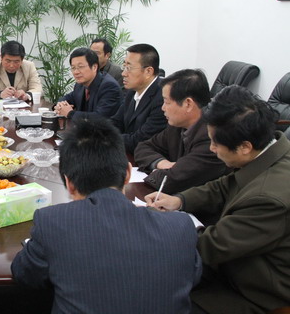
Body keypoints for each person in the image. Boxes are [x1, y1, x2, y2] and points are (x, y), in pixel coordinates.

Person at [11, 116, 202, 314]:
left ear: (69, 183)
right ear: (127, 173)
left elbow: (24, 274)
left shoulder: (52, 222)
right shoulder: (180, 226)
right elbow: (193, 276)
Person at [146, 86, 290, 314]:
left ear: (244, 147)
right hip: (236, 262)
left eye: (215, 143)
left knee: (157, 298)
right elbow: (223, 186)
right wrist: (179, 201)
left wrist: (161, 226)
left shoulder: (268, 198)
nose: (211, 149)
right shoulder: (268, 153)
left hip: (254, 291)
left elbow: (211, 246)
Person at [134, 69, 229, 194]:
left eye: (166, 102)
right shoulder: (177, 125)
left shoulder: (211, 138)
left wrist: (161, 173)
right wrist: (160, 163)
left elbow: (170, 181)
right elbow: (143, 147)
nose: (163, 108)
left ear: (188, 104)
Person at [110, 43, 167, 155]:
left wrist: (105, 138)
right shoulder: (132, 91)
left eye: (129, 68)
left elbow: (140, 140)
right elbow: (116, 122)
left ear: (148, 72)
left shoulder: (163, 97)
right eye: (124, 66)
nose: (123, 73)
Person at [54, 48, 121, 119]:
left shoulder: (109, 86)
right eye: (73, 68)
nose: (76, 72)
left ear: (94, 67)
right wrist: (60, 106)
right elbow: (67, 98)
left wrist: (70, 113)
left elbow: (100, 117)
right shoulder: (80, 84)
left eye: (80, 67)